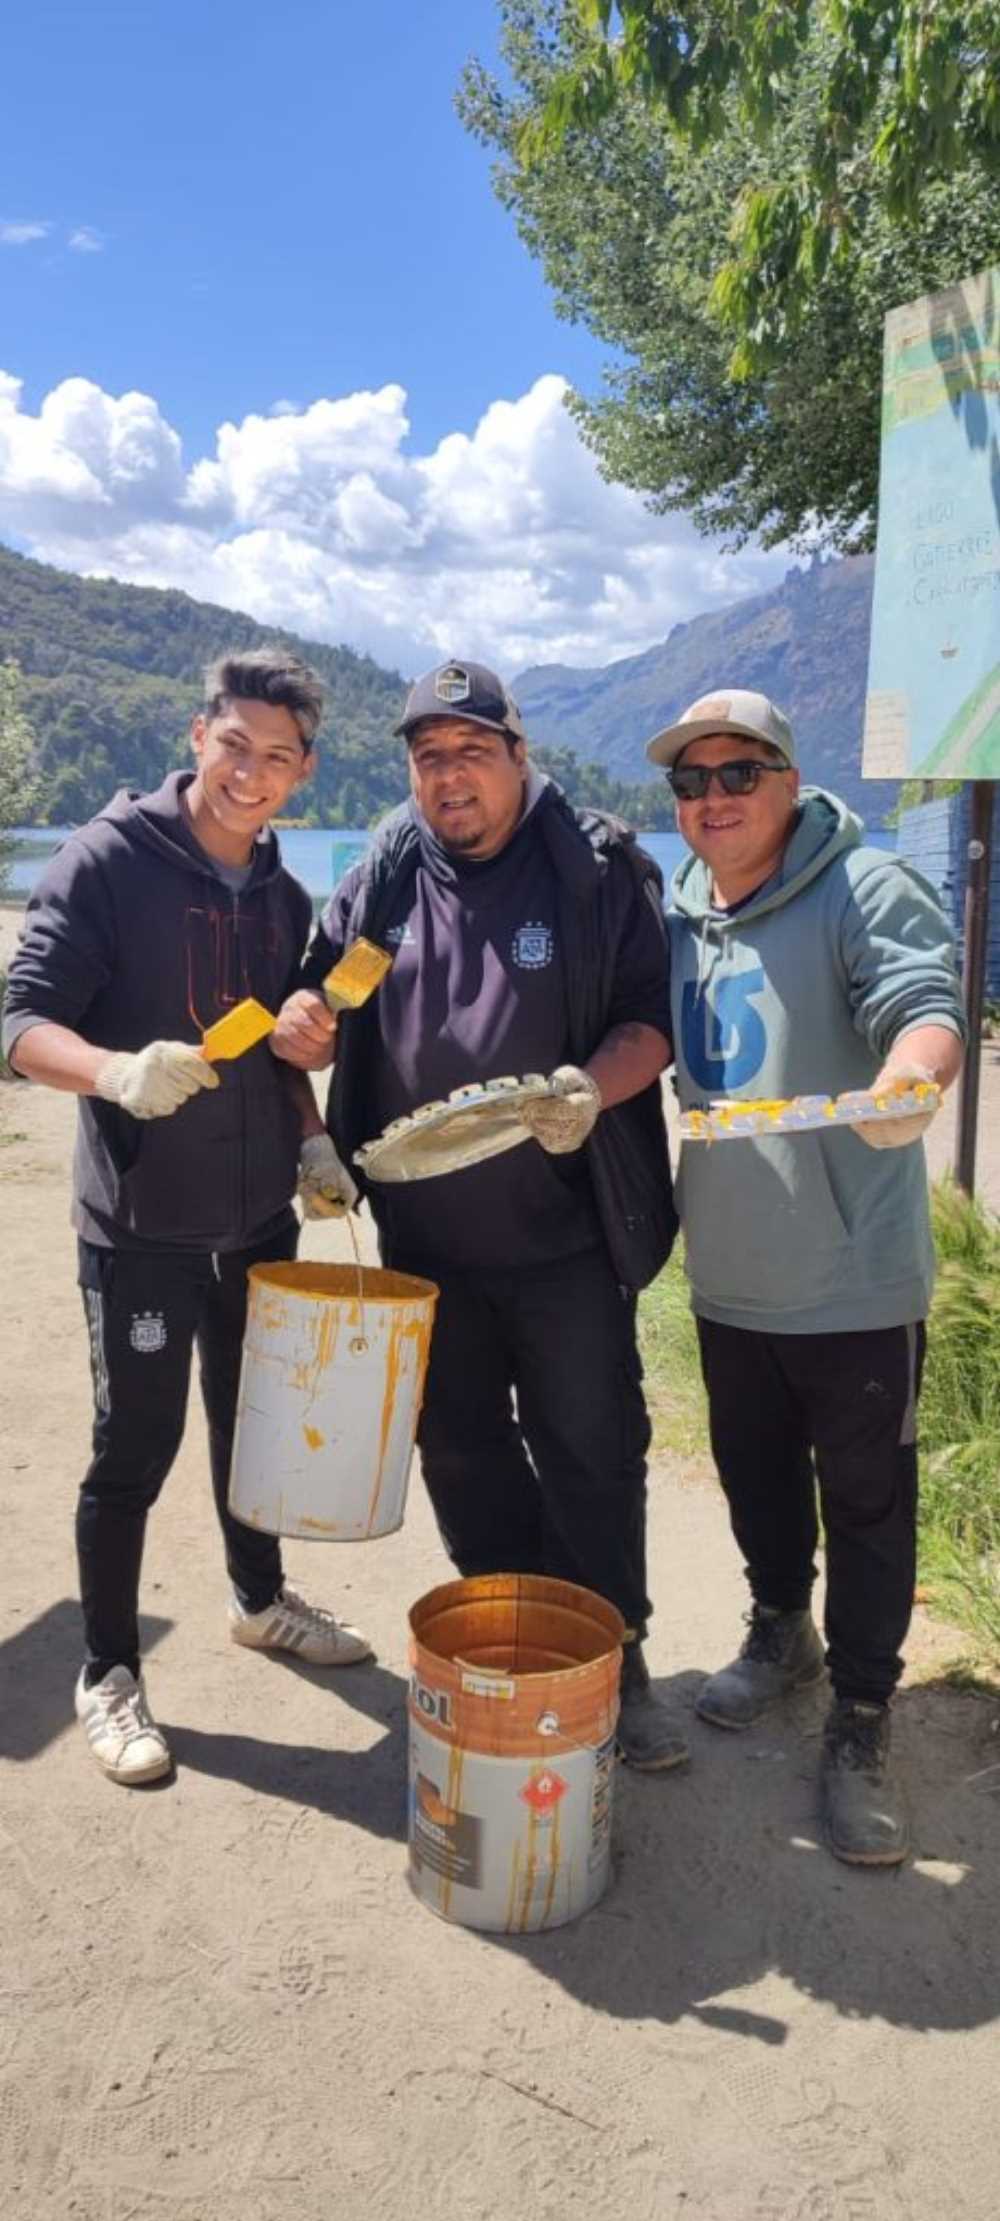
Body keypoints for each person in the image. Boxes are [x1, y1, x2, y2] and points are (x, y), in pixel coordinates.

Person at [271, 657, 684, 1768]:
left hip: (565, 1235)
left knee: (592, 1446)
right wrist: (307, 1023)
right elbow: (327, 988)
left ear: (517, 754)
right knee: (459, 1449)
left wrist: (590, 1088)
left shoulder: (590, 870)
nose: (448, 777)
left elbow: (652, 1019)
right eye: (426, 757)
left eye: (469, 751)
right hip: (425, 1243)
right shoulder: (387, 878)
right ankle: (514, 1637)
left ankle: (615, 1661)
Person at [2, 649, 368, 1788]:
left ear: (302, 773)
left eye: (276, 757)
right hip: (143, 1227)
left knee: (255, 1426)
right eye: (233, 746)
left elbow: (278, 1037)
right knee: (133, 1452)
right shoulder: (105, 863)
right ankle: (107, 1668)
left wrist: (309, 1131)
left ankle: (258, 1602)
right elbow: (18, 1023)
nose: (249, 774)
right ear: (197, 735)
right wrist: (112, 1071)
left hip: (260, 1216)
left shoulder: (285, 894)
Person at [646, 686, 966, 1864]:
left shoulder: (861, 885)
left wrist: (911, 1083)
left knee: (870, 1506)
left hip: (853, 1283)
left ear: (789, 777)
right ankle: (783, 1629)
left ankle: (864, 1719)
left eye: (739, 773)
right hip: (730, 1274)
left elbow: (923, 1007)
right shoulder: (677, 906)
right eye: (691, 781)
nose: (714, 798)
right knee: (753, 1477)